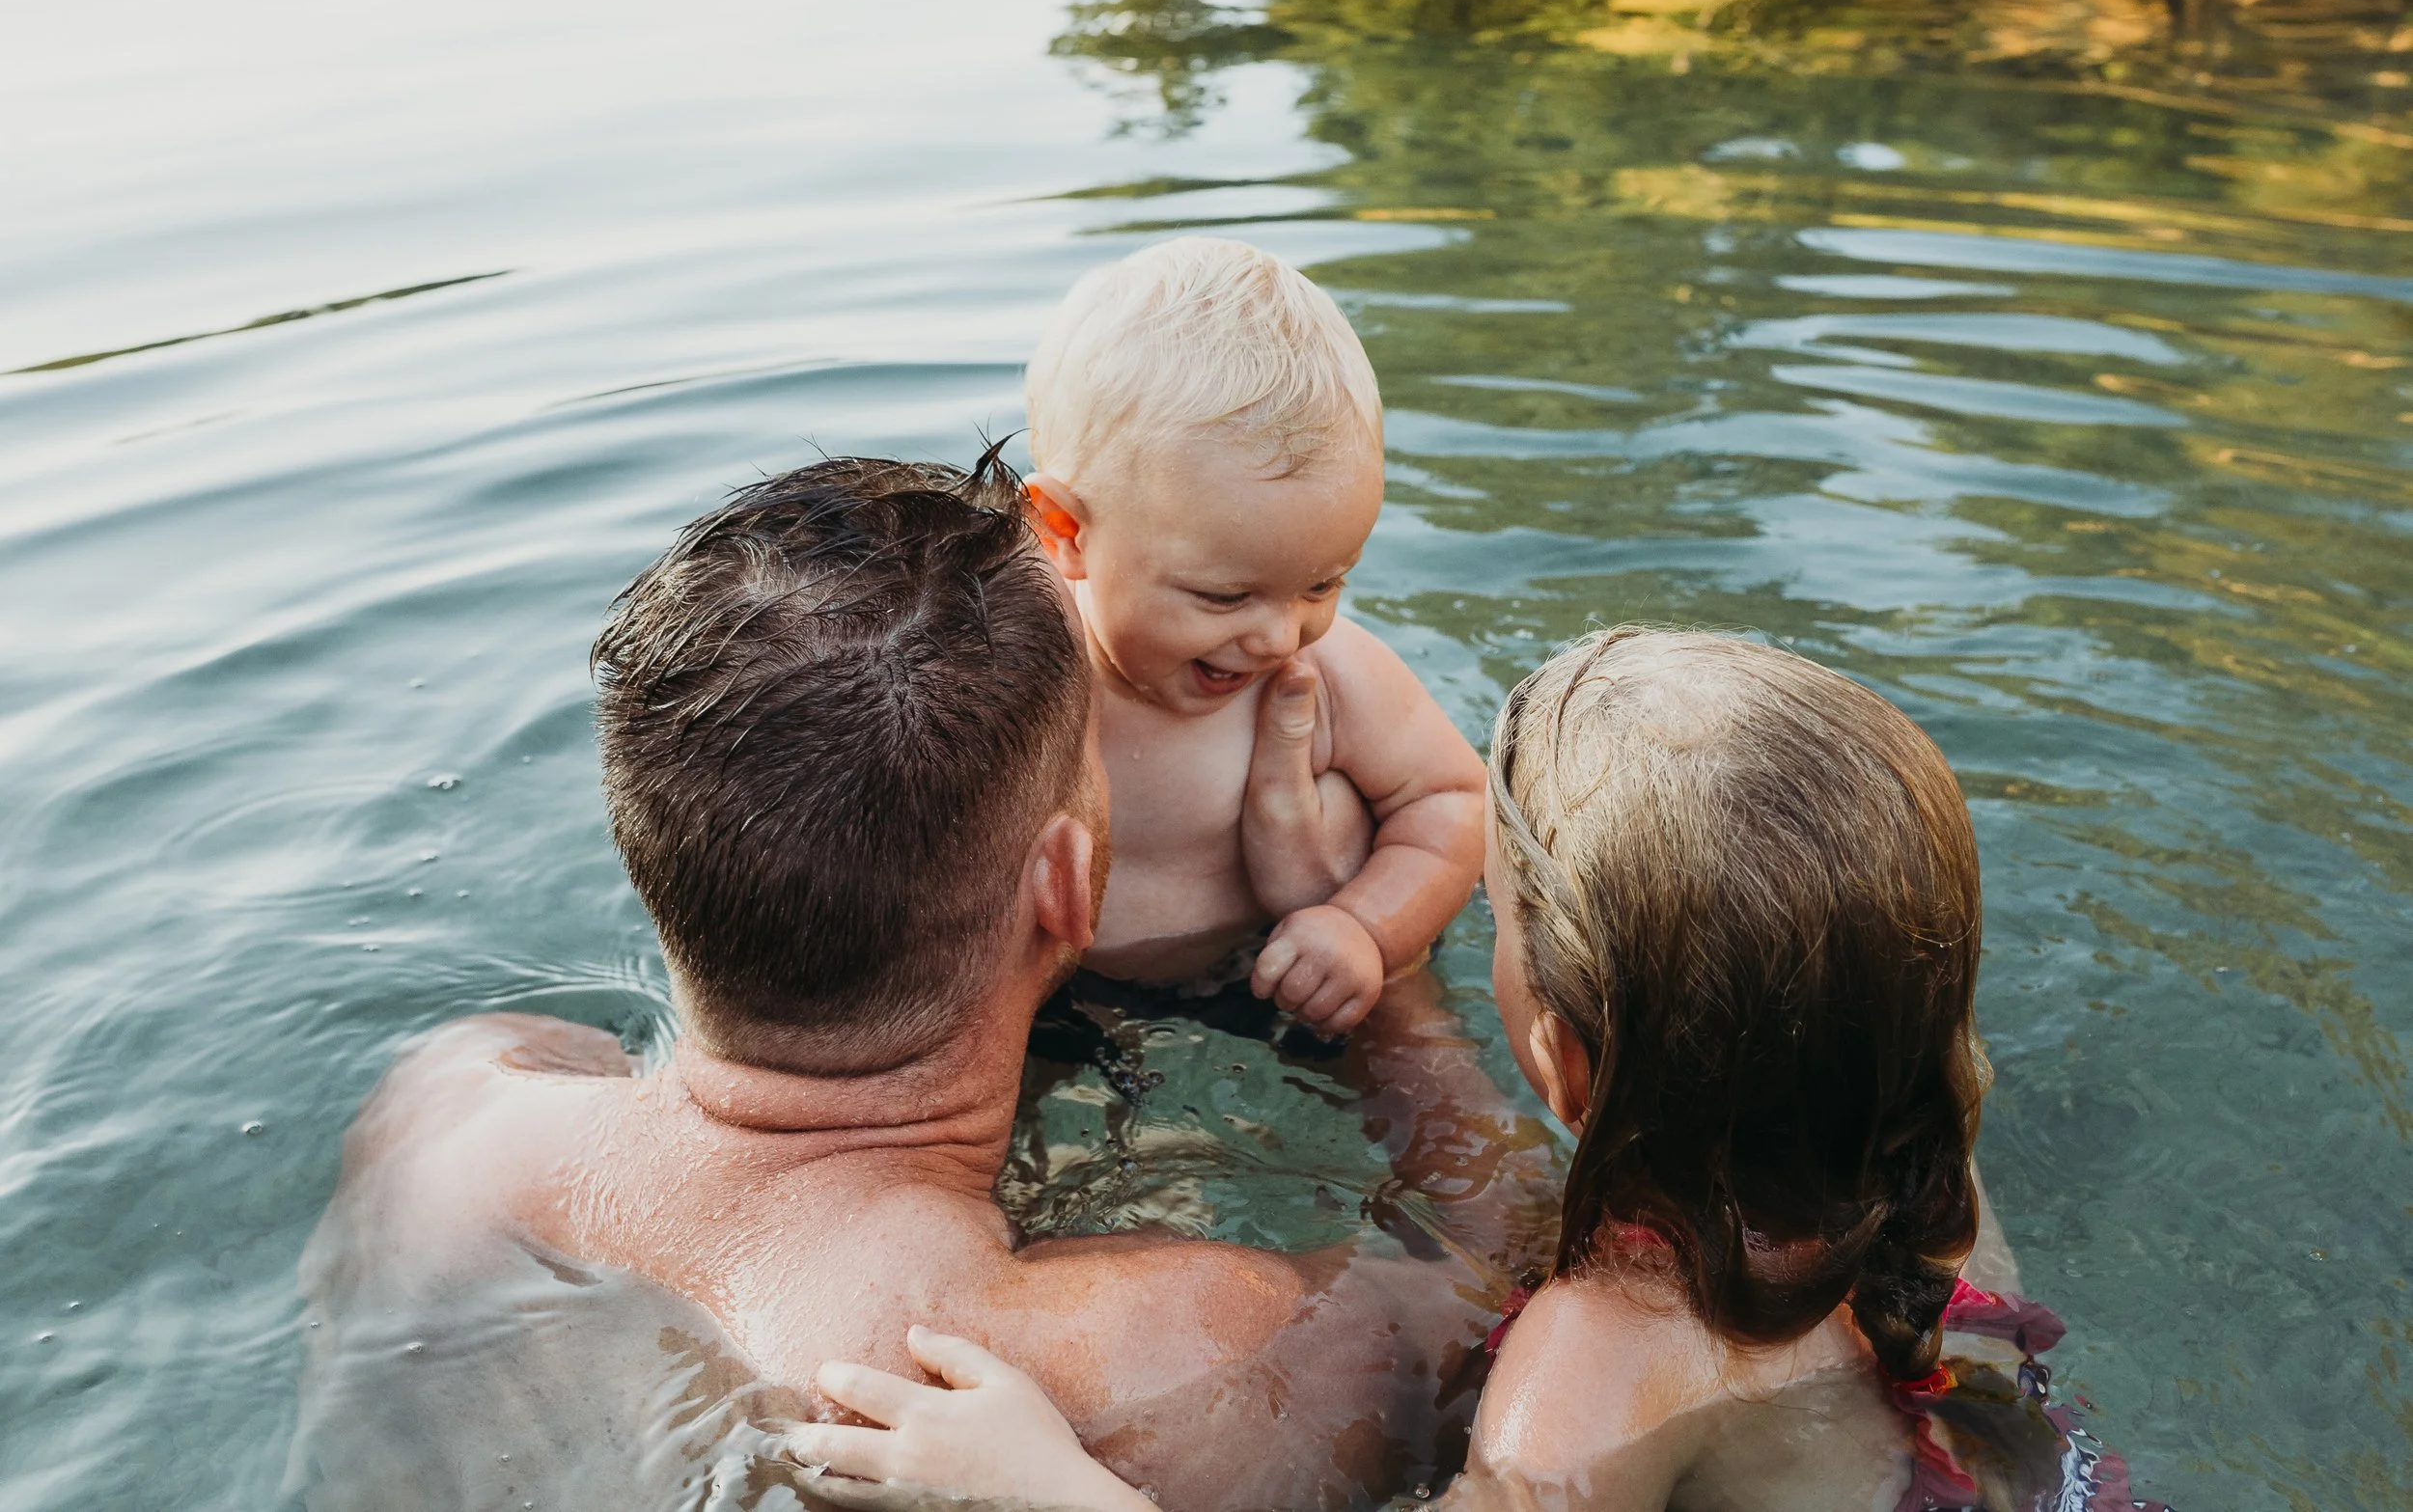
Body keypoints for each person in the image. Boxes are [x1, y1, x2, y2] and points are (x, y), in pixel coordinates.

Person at [290, 454, 1552, 1512]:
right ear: (1065, 883)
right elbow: (1529, 1315)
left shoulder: (445, 1107)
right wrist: (1380, 976)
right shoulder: (1171, 1349)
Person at [782, 631, 2149, 1512]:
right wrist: (1367, 961)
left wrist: (1045, 1491)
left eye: (1487, 916)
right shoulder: (1928, 1186)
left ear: (1556, 1050)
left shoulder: (1585, 1386)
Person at [1022, 236, 1487, 1034]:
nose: (1280, 636)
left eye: (1323, 582)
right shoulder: (1007, 668)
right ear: (1065, 532)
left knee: (1427, 1071)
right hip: (1053, 1002)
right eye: (1224, 593)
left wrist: (1365, 927)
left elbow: (1453, 797)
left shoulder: (1330, 672)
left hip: (1286, 969)